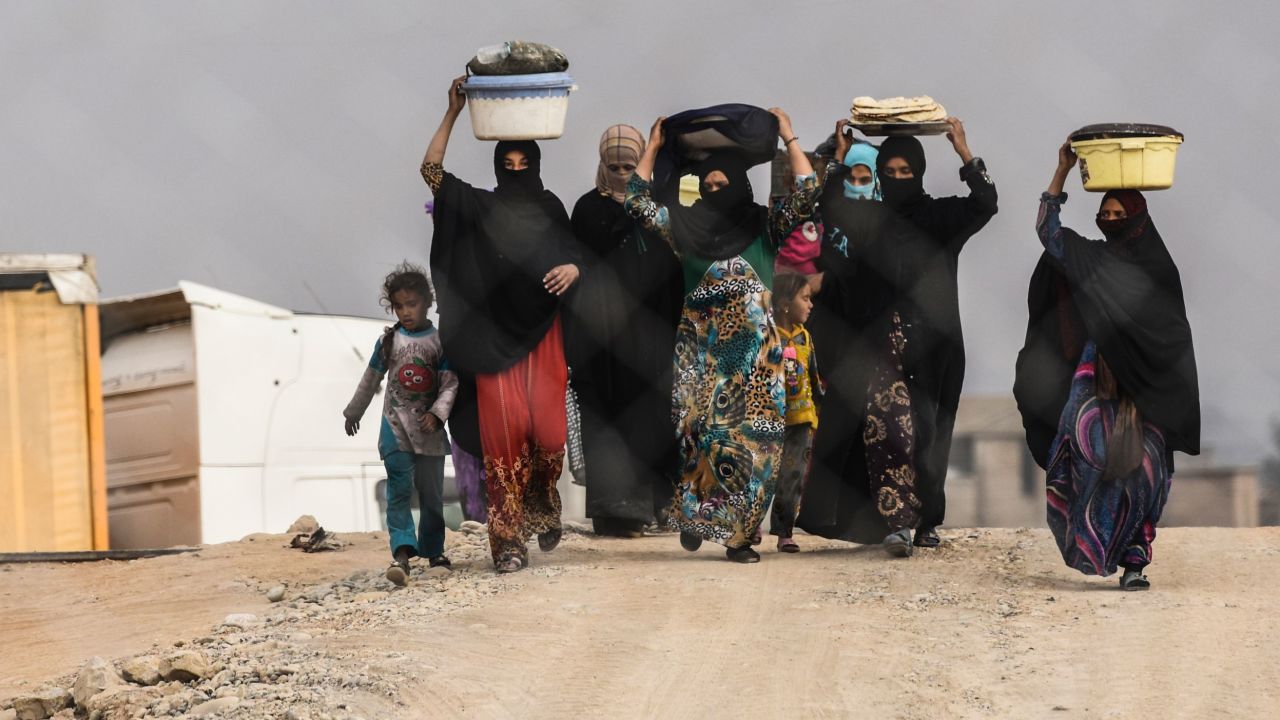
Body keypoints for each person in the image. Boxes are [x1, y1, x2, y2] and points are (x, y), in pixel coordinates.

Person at [625, 108, 818, 563]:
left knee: (761, 447)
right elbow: (635, 201)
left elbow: (808, 191)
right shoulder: (684, 231)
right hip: (702, 359)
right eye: (707, 186)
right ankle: (702, 516)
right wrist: (652, 147)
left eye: (723, 184)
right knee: (704, 444)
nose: (715, 192)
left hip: (759, 365)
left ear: (741, 184)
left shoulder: (766, 228)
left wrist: (788, 135)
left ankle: (741, 537)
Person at [1014, 140, 1199, 590]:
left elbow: (1172, 334)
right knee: (1088, 458)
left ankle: (1136, 561)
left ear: (1139, 219)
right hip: (1096, 379)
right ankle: (1094, 544)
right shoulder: (1091, 258)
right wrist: (1061, 171)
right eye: (1106, 215)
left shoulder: (1158, 268)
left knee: (1144, 471)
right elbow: (1048, 231)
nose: (1112, 221)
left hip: (1149, 389)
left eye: (1121, 215)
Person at [420, 76, 582, 573]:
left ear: (535, 165)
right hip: (491, 340)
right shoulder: (480, 206)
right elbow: (431, 171)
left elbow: (579, 257)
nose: (515, 172)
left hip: (544, 335)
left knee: (549, 436)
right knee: (503, 439)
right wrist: (451, 112)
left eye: (523, 165)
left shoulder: (552, 207)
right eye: (506, 165)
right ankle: (507, 541)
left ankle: (543, 509)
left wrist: (575, 268)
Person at [797, 124, 926, 557]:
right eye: (850, 177)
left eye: (863, 177)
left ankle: (899, 523)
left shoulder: (893, 221)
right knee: (842, 428)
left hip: (886, 337)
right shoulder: (834, 224)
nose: (856, 185)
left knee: (890, 429)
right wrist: (839, 156)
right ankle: (848, 523)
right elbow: (828, 204)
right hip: (839, 338)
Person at [875, 118, 998, 549]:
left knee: (932, 431)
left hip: (939, 343)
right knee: (893, 432)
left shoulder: (941, 217)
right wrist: (838, 157)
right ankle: (897, 519)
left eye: (905, 172)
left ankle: (927, 519)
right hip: (886, 344)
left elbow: (985, 203)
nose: (896, 179)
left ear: (919, 173)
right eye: (888, 172)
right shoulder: (871, 222)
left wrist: (965, 152)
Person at [566, 124, 683, 538]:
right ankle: (616, 513)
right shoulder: (587, 209)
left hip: (652, 338)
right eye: (614, 166)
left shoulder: (658, 212)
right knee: (608, 421)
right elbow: (582, 261)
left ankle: (661, 507)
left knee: (655, 417)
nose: (620, 173)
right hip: (603, 340)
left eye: (629, 166)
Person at [344, 263, 458, 585]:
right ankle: (402, 555)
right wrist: (353, 412)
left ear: (427, 303)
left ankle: (435, 551)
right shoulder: (389, 342)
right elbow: (371, 378)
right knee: (398, 491)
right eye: (399, 306)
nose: (406, 312)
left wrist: (437, 414)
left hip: (429, 431)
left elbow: (450, 383)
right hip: (394, 429)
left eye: (413, 304)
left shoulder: (439, 342)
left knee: (432, 494)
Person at [769, 271, 823, 552]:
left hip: (801, 421)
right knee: (765, 476)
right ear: (784, 304)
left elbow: (814, 379)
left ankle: (784, 532)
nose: (810, 304)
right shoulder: (767, 337)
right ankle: (751, 526)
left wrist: (821, 408)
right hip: (768, 420)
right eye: (805, 298)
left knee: (792, 478)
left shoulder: (805, 339)